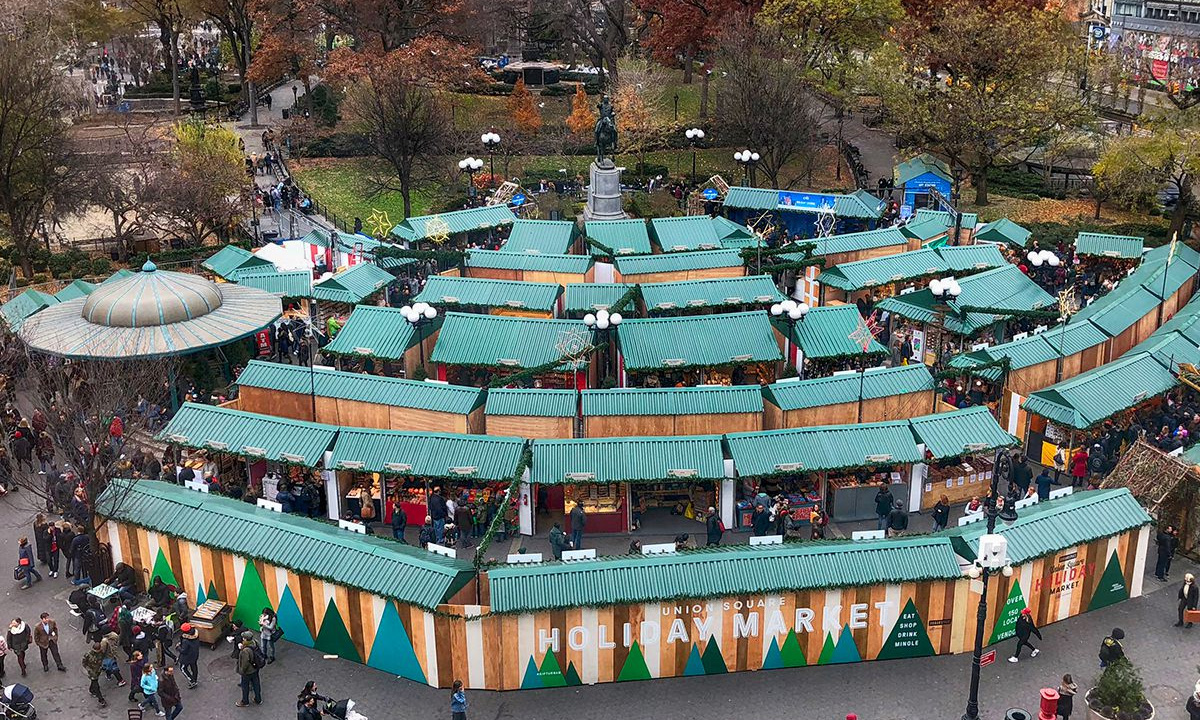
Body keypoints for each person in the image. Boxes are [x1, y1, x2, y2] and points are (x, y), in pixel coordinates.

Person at [235, 630, 263, 707]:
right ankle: (258, 699)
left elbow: (245, 664)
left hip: (248, 672)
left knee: (245, 686)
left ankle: (245, 701)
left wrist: (241, 671)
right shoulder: (255, 642)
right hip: (256, 668)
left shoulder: (245, 650)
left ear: (245, 639)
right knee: (256, 684)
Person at [83, 642, 108, 707]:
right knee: (96, 685)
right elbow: (84, 663)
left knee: (94, 682)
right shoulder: (88, 655)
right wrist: (89, 670)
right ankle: (101, 699)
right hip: (91, 672)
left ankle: (91, 690)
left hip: (98, 671)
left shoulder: (101, 653)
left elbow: (103, 659)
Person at [177, 624, 199, 689]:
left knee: (183, 668)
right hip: (195, 654)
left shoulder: (185, 640)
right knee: (194, 667)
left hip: (187, 658)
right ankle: (195, 679)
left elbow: (184, 651)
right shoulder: (196, 634)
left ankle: (192, 681)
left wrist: (178, 647)